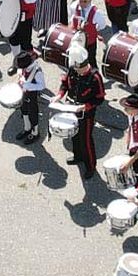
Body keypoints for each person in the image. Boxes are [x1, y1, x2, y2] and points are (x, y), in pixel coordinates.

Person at [56, 44, 105, 179]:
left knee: (86, 139)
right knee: (74, 135)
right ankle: (78, 156)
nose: (78, 72)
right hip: (71, 109)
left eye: (80, 69)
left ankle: (91, 166)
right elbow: (65, 84)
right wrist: (59, 95)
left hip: (86, 114)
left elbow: (100, 99)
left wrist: (86, 106)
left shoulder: (95, 77)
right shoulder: (73, 70)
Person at [66, 0, 107, 68]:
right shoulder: (74, 6)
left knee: (91, 60)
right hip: (76, 41)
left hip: (90, 42)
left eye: (85, 1)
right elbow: (71, 18)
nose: (82, 4)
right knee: (76, 61)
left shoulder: (96, 12)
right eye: (80, 1)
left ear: (90, 0)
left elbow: (102, 25)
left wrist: (94, 30)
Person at [14, 50, 45, 144]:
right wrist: (20, 75)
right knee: (24, 110)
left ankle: (35, 133)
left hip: (32, 94)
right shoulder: (25, 66)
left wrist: (28, 86)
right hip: (24, 92)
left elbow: (42, 86)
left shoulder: (37, 71)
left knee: (33, 112)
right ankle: (27, 128)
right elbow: (20, 70)